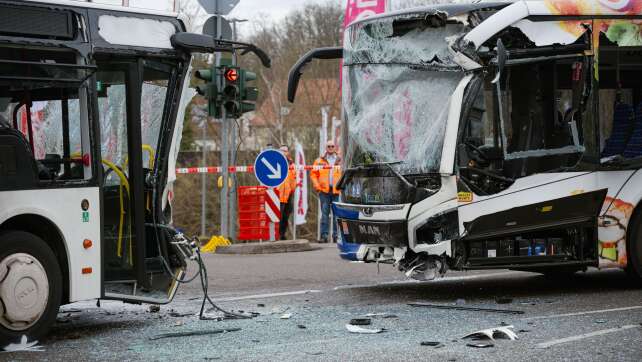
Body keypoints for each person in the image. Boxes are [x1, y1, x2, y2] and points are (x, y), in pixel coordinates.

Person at [310, 140, 342, 243]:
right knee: (324, 215)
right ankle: (324, 236)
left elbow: (345, 173)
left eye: (332, 146)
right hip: (324, 191)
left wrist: (343, 187)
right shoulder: (319, 160)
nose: (331, 148)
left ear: (335, 147)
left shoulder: (340, 160)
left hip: (337, 191)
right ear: (326, 148)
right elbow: (313, 174)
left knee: (336, 215)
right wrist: (317, 187)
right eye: (329, 146)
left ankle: (336, 236)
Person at [277, 145, 296, 240]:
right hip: (278, 193)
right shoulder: (275, 162)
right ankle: (277, 235)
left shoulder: (291, 164)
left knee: (286, 215)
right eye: (281, 150)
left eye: (285, 150)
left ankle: (282, 234)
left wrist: (293, 190)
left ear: (288, 152)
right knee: (278, 216)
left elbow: (294, 178)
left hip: (289, 193)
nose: (283, 152)